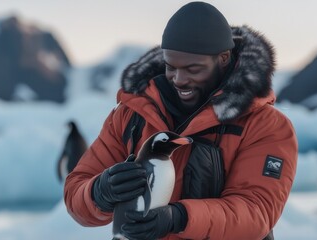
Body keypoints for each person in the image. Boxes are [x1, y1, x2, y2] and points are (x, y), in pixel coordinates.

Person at [64, 2, 298, 240]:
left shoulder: (266, 126)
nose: (179, 79)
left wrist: (179, 218)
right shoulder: (131, 115)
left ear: (224, 58)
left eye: (193, 69)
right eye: (171, 67)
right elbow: (76, 191)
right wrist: (100, 192)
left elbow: (255, 213)